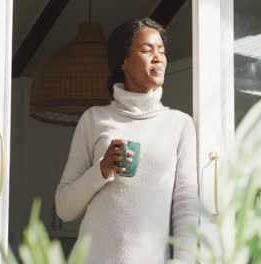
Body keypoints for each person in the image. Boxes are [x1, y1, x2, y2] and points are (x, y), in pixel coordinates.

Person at [55, 17, 198, 264]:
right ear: (124, 61)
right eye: (146, 50)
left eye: (161, 52)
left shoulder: (179, 124)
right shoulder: (94, 119)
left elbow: (186, 205)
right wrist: (102, 169)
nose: (158, 58)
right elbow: (64, 208)